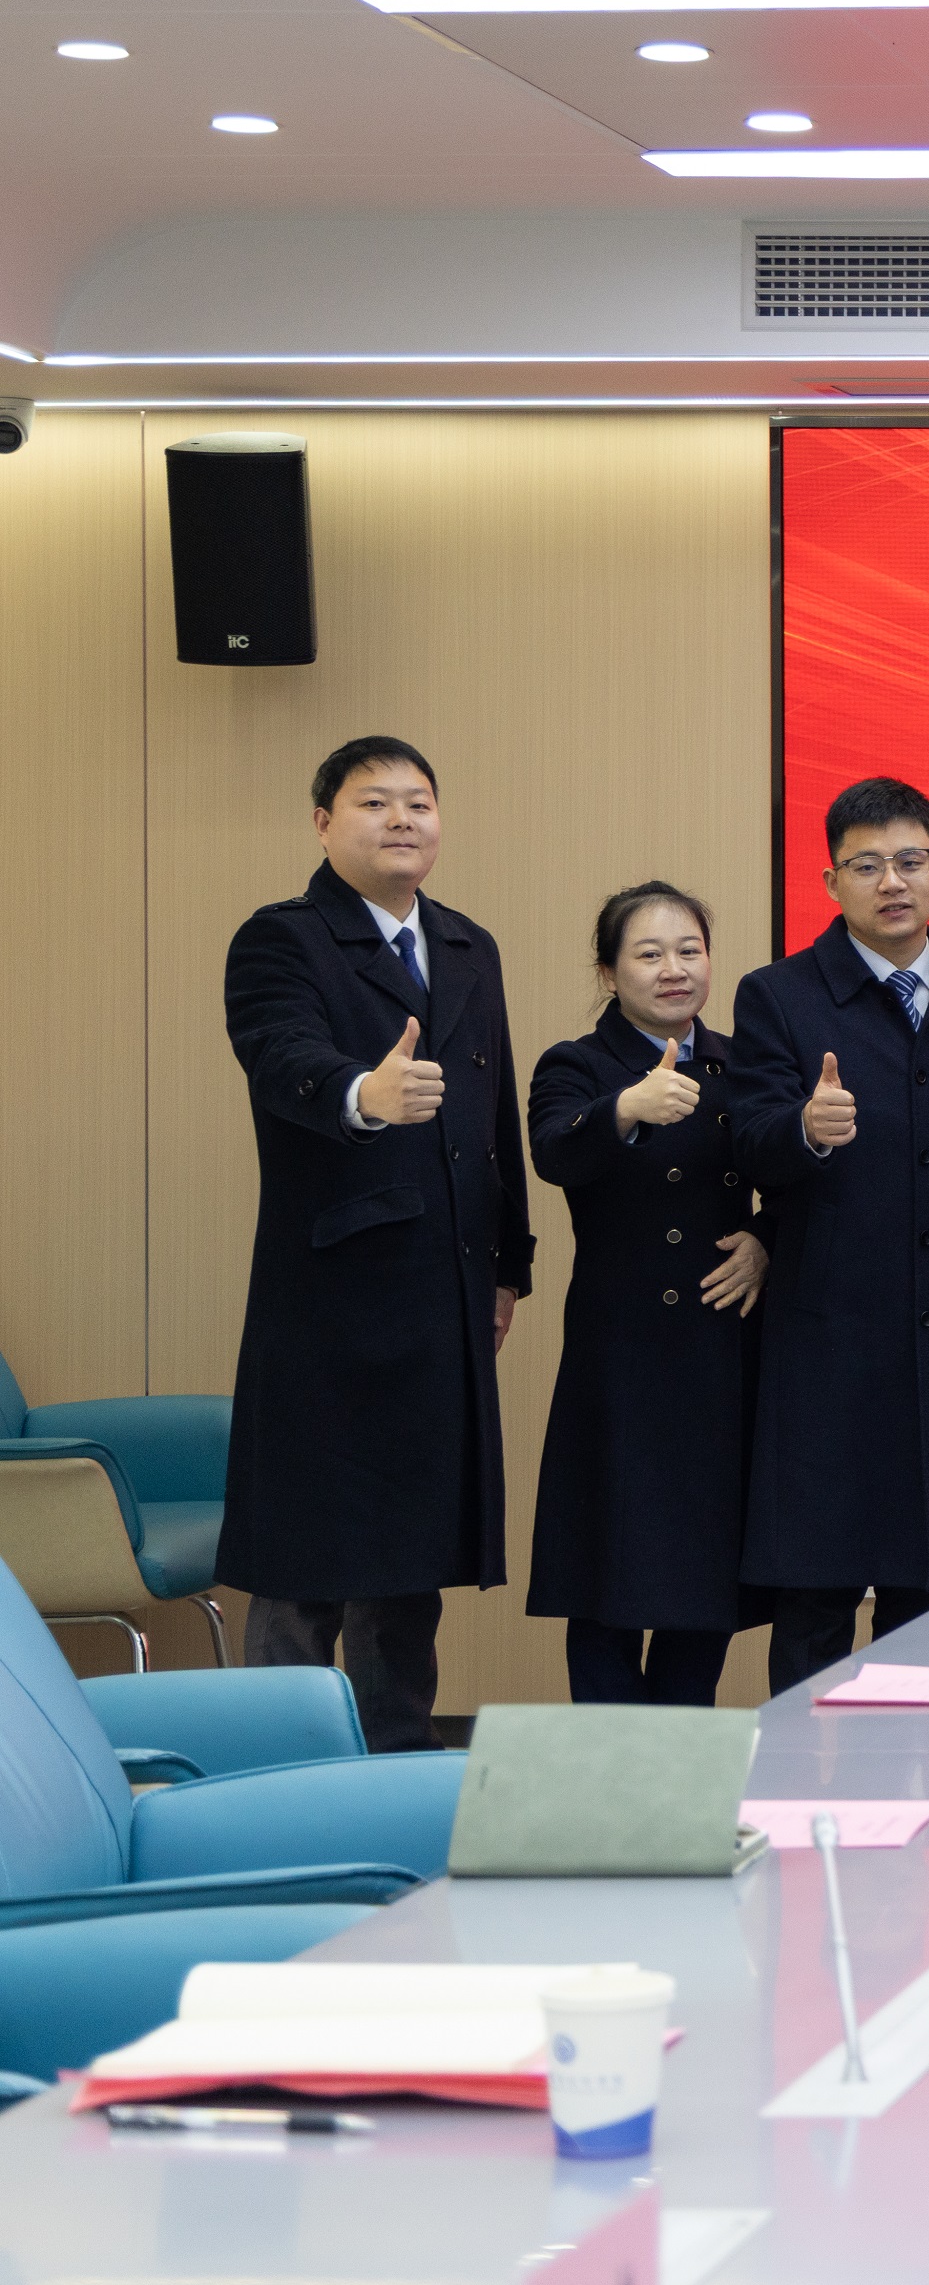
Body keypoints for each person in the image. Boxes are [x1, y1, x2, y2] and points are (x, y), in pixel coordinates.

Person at [216, 736, 533, 1750]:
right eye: (373, 802)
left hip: (447, 1288)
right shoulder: (282, 938)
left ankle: (395, 1756)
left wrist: (510, 1266)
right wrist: (362, 1092)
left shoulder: (468, 944)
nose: (402, 819)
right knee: (307, 1550)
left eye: (419, 802)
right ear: (323, 823)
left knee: (408, 1555)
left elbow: (495, 1121)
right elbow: (280, 1057)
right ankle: (281, 1764)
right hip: (330, 1293)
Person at [730, 777, 929, 1696]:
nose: (892, 882)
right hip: (829, 1337)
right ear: (831, 881)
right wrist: (803, 1127)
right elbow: (747, 1137)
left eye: (910, 860)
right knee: (817, 1594)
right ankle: (800, 1772)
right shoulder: (779, 995)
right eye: (866, 865)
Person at [525, 881, 767, 1704]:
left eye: (689, 950)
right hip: (621, 1353)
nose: (674, 969)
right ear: (609, 970)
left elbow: (794, 1176)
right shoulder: (577, 1064)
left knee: (705, 1578)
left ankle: (680, 1747)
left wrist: (766, 1239)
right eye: (650, 953)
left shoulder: (741, 1061)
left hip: (719, 1346)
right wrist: (627, 1107)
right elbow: (553, 1152)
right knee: (609, 1575)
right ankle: (610, 1761)